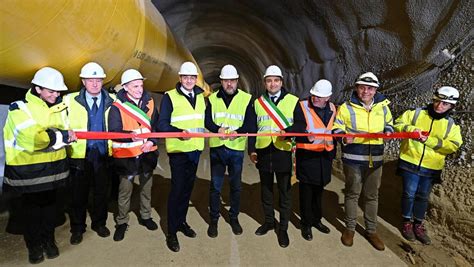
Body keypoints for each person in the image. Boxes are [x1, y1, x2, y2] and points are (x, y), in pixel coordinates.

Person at [3, 67, 76, 264]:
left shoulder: (59, 109)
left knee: (50, 211)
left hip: (54, 172)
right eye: (51, 91)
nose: (56, 94)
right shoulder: (20, 108)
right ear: (37, 89)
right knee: (31, 214)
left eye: (58, 91)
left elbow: (66, 131)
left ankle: (49, 242)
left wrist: (61, 135)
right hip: (29, 173)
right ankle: (34, 247)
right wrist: (58, 135)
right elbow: (34, 138)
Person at [332, 72, 394, 251]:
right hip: (353, 159)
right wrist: (343, 138)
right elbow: (337, 127)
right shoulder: (346, 107)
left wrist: (388, 132)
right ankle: (349, 229)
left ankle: (371, 231)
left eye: (370, 88)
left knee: (372, 195)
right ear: (357, 88)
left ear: (375, 90)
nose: (366, 91)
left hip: (375, 159)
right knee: (352, 193)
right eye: (362, 87)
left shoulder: (383, 107)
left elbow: (389, 123)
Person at [394, 86, 462, 245]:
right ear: (433, 99)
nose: (439, 106)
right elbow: (397, 124)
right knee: (409, 194)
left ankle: (418, 224)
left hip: (431, 167)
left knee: (422, 196)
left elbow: (453, 145)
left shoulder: (452, 125)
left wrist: (428, 140)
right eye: (438, 101)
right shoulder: (416, 113)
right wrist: (411, 129)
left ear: (451, 106)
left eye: (445, 104)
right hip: (410, 161)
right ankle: (406, 223)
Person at [64, 62, 115, 245]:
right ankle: (77, 228)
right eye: (90, 80)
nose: (95, 83)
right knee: (78, 195)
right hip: (80, 156)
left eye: (98, 80)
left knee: (101, 193)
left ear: (103, 81)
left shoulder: (113, 101)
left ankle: (99, 224)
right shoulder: (69, 100)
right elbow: (60, 122)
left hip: (103, 155)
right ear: (83, 81)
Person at [249, 65, 299, 248]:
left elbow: (300, 126)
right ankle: (269, 221)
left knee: (285, 192)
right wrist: (252, 150)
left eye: (276, 80)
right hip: (263, 151)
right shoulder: (257, 102)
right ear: (265, 83)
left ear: (281, 82)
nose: (272, 84)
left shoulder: (293, 101)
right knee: (266, 190)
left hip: (283, 151)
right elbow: (252, 128)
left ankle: (283, 228)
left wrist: (288, 132)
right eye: (269, 81)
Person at [158, 61, 206, 252]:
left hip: (195, 150)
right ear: (180, 78)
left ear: (196, 79)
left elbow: (206, 119)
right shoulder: (170, 97)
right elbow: (162, 124)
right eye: (185, 77)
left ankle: (181, 222)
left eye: (192, 77)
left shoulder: (201, 97)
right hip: (179, 152)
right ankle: (171, 232)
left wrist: (221, 128)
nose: (189, 80)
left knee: (187, 190)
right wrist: (178, 131)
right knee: (177, 190)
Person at [108, 69, 159, 241]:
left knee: (146, 188)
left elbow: (156, 127)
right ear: (125, 87)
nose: (139, 89)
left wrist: (152, 142)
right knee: (125, 191)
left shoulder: (150, 102)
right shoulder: (117, 107)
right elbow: (114, 131)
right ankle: (122, 221)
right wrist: (132, 135)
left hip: (147, 154)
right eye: (135, 86)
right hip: (127, 156)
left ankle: (146, 216)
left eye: (141, 85)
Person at [205, 64, 255, 238]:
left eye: (232, 80)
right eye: (226, 80)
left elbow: (250, 123)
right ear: (221, 81)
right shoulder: (212, 99)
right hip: (217, 148)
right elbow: (207, 121)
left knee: (236, 186)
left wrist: (239, 132)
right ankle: (214, 220)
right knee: (215, 186)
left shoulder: (247, 99)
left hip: (236, 150)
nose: (229, 84)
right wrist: (217, 128)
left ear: (237, 81)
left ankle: (234, 218)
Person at [285, 79, 335, 241]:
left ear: (328, 98)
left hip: (324, 158)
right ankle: (306, 224)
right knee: (306, 193)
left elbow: (336, 129)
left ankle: (317, 220)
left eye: (319, 97)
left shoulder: (333, 108)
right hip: (307, 157)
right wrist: (305, 135)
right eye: (314, 95)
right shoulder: (302, 106)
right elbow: (298, 126)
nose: (315, 98)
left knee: (319, 192)